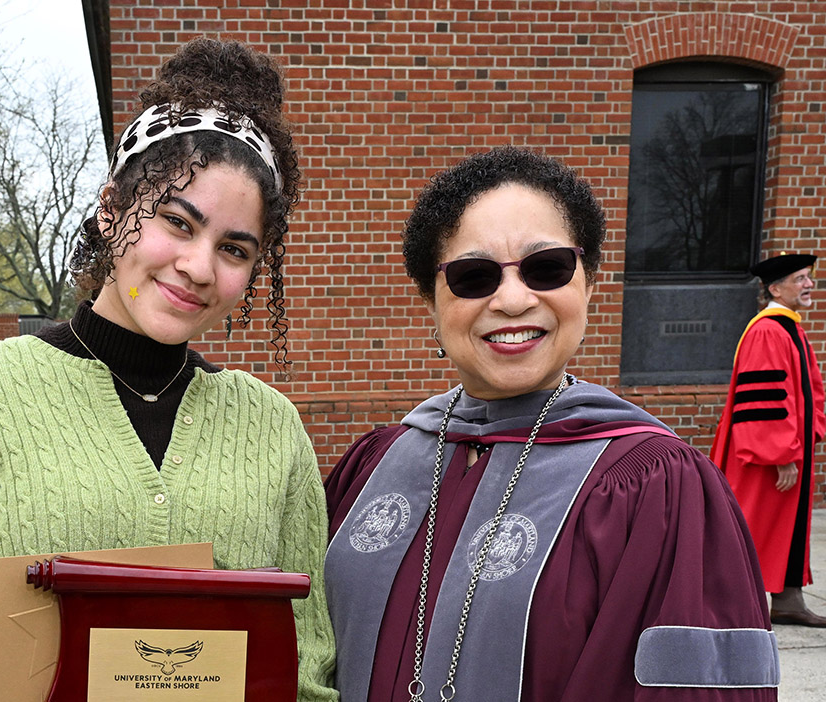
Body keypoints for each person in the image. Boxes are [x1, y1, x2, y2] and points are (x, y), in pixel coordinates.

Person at [0, 38, 337, 702]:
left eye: (234, 248)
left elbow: (307, 671)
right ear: (112, 208)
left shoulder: (274, 429)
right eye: (178, 222)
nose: (199, 267)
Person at [323, 147, 778, 701]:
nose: (513, 299)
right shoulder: (373, 466)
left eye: (548, 268)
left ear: (588, 284)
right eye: (474, 276)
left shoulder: (657, 485)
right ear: (432, 300)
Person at [711, 253, 826, 627]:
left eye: (809, 278)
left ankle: (788, 600)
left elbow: (806, 392)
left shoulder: (790, 328)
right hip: (765, 456)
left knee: (783, 529)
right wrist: (781, 453)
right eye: (800, 279)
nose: (809, 285)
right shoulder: (767, 331)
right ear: (775, 288)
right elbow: (764, 401)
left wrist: (810, 436)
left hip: (788, 451)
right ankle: (728, 605)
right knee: (753, 524)